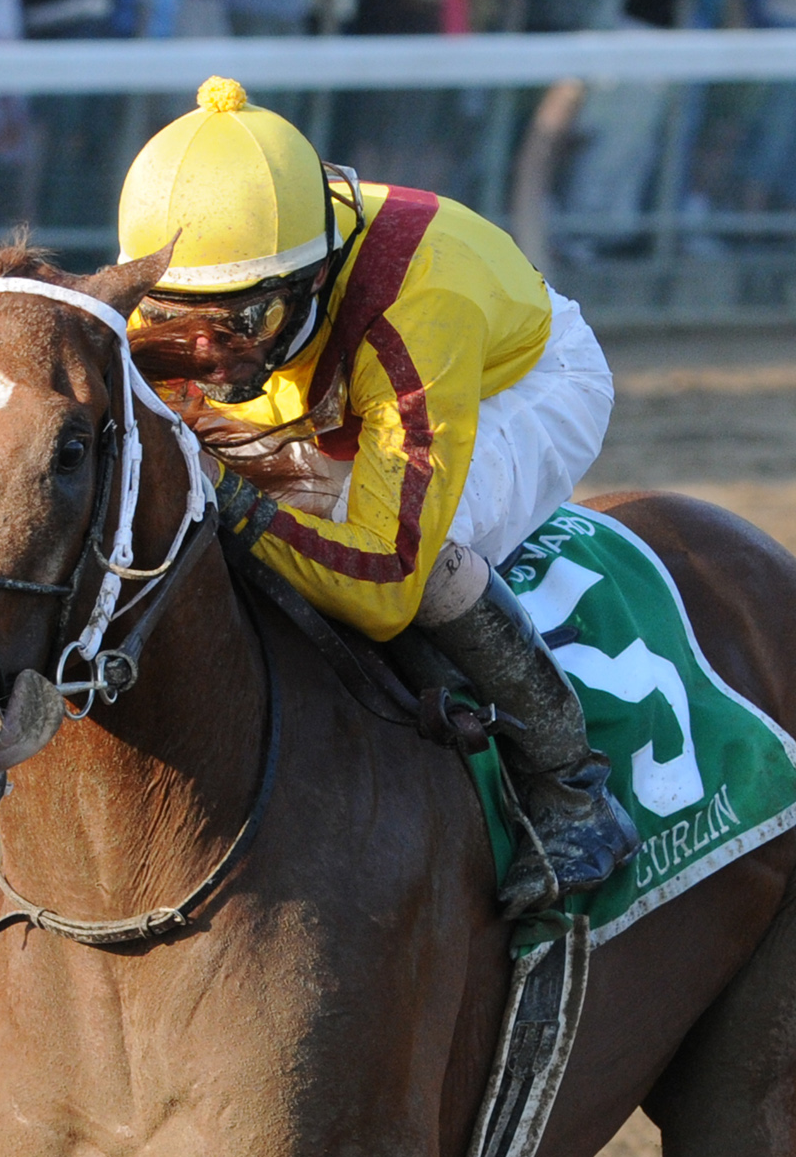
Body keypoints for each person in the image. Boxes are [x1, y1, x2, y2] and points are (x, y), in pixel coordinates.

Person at [117, 77, 638, 916]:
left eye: (242, 321)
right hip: (333, 377)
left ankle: (570, 784)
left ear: (312, 272)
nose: (207, 354)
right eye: (178, 320)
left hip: (523, 382)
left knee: (415, 555)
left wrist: (249, 503)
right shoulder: (231, 280)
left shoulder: (418, 309)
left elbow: (386, 580)